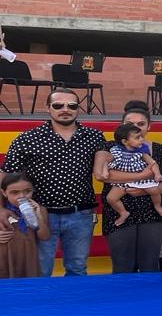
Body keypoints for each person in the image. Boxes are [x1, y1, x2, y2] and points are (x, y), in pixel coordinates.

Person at [0, 88, 106, 277]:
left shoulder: (94, 136)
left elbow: (104, 167)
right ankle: (42, 306)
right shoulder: (27, 139)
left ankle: (73, 306)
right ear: (48, 108)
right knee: (41, 270)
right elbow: (6, 176)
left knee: (78, 268)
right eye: (58, 105)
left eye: (71, 105)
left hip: (80, 214)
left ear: (78, 109)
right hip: (40, 215)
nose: (65, 109)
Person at [95, 102, 162, 273]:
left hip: (152, 214)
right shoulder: (109, 147)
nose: (136, 128)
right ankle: (124, 299)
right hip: (119, 212)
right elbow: (103, 175)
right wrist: (142, 177)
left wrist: (143, 189)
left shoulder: (160, 150)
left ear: (149, 126)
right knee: (123, 265)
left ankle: (149, 299)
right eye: (130, 124)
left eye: (141, 124)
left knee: (150, 265)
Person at [104, 123, 162, 226]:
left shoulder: (141, 152)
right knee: (111, 198)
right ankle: (123, 212)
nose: (142, 139)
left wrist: (157, 174)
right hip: (124, 180)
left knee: (154, 190)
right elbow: (106, 162)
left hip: (141, 179)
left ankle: (158, 206)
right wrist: (104, 171)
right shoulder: (116, 151)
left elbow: (153, 163)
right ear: (125, 141)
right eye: (137, 138)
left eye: (141, 136)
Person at [0, 173, 49, 278]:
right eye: (14, 193)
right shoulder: (2, 212)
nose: (21, 196)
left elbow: (44, 236)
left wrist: (38, 216)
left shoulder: (39, 209)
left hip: (28, 257)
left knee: (28, 286)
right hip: (4, 257)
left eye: (27, 191)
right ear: (4, 193)